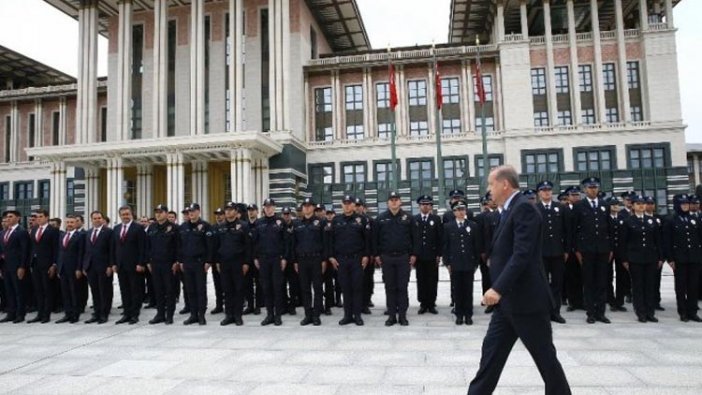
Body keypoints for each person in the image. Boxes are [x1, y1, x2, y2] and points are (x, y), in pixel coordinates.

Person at [468, 165, 570, 395]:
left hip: (527, 303)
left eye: (491, 184)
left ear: (505, 184)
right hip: (507, 305)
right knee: (490, 357)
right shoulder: (509, 209)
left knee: (546, 361)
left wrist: (497, 288)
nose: (488, 189)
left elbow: (522, 254)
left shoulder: (524, 208)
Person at [374, 191, 417, 327]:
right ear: (387, 202)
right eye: (391, 199)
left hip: (403, 258)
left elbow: (414, 238)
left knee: (402, 287)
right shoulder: (380, 219)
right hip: (387, 258)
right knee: (390, 287)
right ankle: (392, 316)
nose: (394, 202)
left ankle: (403, 316)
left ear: (400, 202)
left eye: (396, 199)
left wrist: (414, 255)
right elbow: (376, 239)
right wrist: (376, 255)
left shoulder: (408, 218)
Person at [572, 177, 612, 324]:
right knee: (589, 282)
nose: (593, 190)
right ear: (585, 190)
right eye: (590, 187)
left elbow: (609, 228)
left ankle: (601, 312)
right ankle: (590, 313)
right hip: (586, 250)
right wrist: (577, 250)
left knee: (602, 282)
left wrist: (610, 249)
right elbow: (574, 230)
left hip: (602, 249)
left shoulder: (604, 205)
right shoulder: (579, 206)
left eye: (595, 187)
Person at [619, 195, 663, 323]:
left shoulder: (652, 221)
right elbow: (623, 243)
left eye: (643, 203)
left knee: (650, 286)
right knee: (638, 286)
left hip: (650, 257)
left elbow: (657, 241)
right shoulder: (628, 221)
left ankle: (650, 312)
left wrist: (660, 257)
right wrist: (625, 259)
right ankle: (641, 312)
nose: (641, 206)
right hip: (635, 258)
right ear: (632, 206)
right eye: (638, 204)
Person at [328, 195, 370, 326]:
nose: (347, 205)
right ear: (342, 205)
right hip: (341, 260)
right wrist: (331, 257)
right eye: (344, 203)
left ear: (353, 205)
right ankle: (347, 315)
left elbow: (367, 240)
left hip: (357, 259)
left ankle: (357, 315)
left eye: (349, 203)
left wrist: (366, 255)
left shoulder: (361, 220)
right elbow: (330, 240)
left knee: (357, 287)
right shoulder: (336, 220)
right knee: (345, 287)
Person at [252, 198, 291, 326]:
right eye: (266, 206)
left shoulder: (280, 222)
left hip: (276, 259)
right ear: (263, 208)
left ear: (274, 208)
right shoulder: (258, 223)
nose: (268, 208)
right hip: (263, 259)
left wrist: (284, 258)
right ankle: (269, 314)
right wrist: (255, 258)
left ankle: (278, 315)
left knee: (277, 287)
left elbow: (286, 242)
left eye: (270, 206)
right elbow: (255, 242)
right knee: (266, 287)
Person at [212, 202, 251, 326]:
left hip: (238, 263)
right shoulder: (221, 227)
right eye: (226, 210)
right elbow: (216, 246)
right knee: (227, 289)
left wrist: (246, 262)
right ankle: (229, 315)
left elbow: (248, 246)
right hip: (224, 262)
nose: (228, 212)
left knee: (239, 289)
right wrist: (217, 261)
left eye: (231, 210)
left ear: (236, 211)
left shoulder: (243, 226)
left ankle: (238, 315)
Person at [443, 199, 482, 325]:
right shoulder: (448, 227)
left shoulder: (472, 225)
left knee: (468, 290)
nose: (461, 212)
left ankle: (468, 315)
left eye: (463, 210)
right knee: (457, 290)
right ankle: (459, 314)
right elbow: (446, 246)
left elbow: (476, 246)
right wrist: (447, 262)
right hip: (455, 263)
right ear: (453, 212)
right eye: (458, 210)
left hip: (468, 263)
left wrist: (476, 262)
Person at [663, 194, 701, 322]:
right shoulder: (671, 220)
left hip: (694, 257)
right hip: (679, 258)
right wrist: (670, 259)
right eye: (682, 203)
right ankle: (683, 311)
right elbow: (667, 242)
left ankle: (693, 311)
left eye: (687, 203)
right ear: (677, 205)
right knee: (681, 286)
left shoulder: (694, 219)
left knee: (693, 285)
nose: (685, 205)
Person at [535, 181, 568, 324]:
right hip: (541, 253)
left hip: (557, 252)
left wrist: (566, 250)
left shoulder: (560, 208)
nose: (547, 192)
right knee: (542, 284)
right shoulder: (534, 209)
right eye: (543, 190)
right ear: (539, 193)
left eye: (549, 190)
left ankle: (555, 312)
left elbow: (567, 231)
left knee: (557, 283)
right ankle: (543, 312)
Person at [291, 197, 327, 326]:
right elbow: (293, 243)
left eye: (309, 205)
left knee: (317, 288)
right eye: (304, 205)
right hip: (301, 259)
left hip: (316, 259)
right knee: (305, 288)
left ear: (313, 207)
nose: (306, 207)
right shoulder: (296, 223)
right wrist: (295, 261)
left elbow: (325, 243)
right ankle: (308, 315)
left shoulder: (320, 223)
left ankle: (316, 315)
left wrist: (324, 260)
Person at [178, 203, 214, 325]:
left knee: (200, 289)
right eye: (189, 212)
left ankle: (201, 315)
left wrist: (208, 261)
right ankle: (193, 314)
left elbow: (210, 246)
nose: (191, 214)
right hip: (187, 262)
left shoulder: (205, 226)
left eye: (193, 211)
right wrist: (181, 261)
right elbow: (180, 246)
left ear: (199, 211)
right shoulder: (183, 227)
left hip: (200, 262)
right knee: (190, 290)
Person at [146, 204, 180, 325]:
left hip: (169, 264)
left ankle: (169, 315)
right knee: (158, 290)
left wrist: (177, 261)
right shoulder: (152, 227)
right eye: (156, 212)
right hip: (155, 263)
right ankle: (160, 314)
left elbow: (178, 246)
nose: (158, 214)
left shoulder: (174, 228)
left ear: (166, 213)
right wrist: (148, 261)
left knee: (169, 290)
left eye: (161, 212)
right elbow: (148, 246)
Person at [112, 206, 147, 325]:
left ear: (132, 214)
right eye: (123, 214)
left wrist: (141, 263)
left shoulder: (138, 228)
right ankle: (126, 313)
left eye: (127, 214)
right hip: (121, 265)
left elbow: (143, 247)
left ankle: (134, 314)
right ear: (120, 216)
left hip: (134, 265)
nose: (125, 216)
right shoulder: (116, 229)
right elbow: (114, 248)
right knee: (124, 290)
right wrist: (114, 263)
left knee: (135, 290)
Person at [28, 209, 60, 323]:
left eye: (41, 216)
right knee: (38, 290)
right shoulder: (34, 229)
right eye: (37, 217)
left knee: (47, 289)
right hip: (35, 263)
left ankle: (46, 314)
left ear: (46, 217)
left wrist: (54, 264)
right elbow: (32, 247)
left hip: (47, 264)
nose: (38, 218)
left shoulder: (53, 230)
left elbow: (56, 249)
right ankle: (39, 313)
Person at [83, 211, 114, 324]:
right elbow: (86, 250)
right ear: (91, 219)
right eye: (95, 218)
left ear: (102, 219)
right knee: (95, 291)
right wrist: (84, 266)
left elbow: (111, 250)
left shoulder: (109, 232)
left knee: (104, 291)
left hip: (104, 266)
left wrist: (110, 265)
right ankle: (96, 313)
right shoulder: (88, 232)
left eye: (99, 218)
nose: (97, 220)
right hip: (91, 266)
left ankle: (104, 314)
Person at [413, 195, 442, 315]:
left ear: (431, 206)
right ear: (419, 206)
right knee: (421, 279)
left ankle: (431, 303)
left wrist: (439, 254)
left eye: (427, 204)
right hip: (419, 256)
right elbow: (412, 238)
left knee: (432, 279)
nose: (425, 206)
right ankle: (423, 303)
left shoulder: (435, 219)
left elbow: (439, 238)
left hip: (432, 255)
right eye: (423, 204)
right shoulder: (414, 219)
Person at [0, 210, 30, 323]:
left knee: (19, 290)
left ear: (18, 218)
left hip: (17, 266)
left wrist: (22, 266)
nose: (8, 218)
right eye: (7, 217)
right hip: (5, 266)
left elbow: (24, 250)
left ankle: (20, 314)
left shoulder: (21, 232)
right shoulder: (3, 233)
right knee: (9, 291)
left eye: (11, 216)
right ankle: (11, 313)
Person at [56, 214, 85, 323]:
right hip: (63, 268)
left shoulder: (80, 236)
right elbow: (60, 252)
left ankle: (75, 314)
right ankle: (67, 314)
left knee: (74, 292)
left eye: (72, 222)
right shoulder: (62, 235)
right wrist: (59, 267)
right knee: (65, 292)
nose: (69, 224)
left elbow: (81, 253)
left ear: (76, 223)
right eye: (68, 222)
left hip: (74, 268)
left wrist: (79, 268)